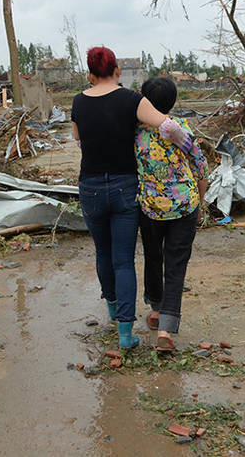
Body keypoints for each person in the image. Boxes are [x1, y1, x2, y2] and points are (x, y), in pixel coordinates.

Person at [71, 47, 193, 350]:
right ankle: (126, 335)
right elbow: (168, 125)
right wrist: (185, 144)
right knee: (123, 261)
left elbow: (76, 138)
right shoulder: (130, 99)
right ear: (117, 72)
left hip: (90, 187)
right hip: (125, 188)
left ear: (89, 74)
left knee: (103, 252)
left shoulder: (78, 101)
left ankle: (112, 310)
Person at [135, 76, 208, 353]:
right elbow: (200, 168)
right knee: (176, 265)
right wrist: (199, 203)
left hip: (150, 208)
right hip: (183, 207)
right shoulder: (182, 129)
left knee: (153, 258)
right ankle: (165, 329)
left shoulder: (137, 133)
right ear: (173, 102)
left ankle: (155, 311)